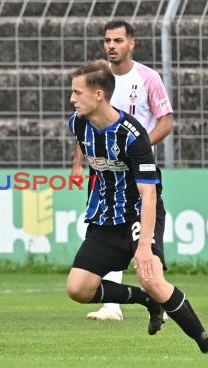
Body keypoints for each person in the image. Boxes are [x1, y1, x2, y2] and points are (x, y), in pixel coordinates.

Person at [65, 59, 208, 354]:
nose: (72, 99)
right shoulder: (77, 123)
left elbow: (148, 194)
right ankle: (145, 300)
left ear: (99, 94)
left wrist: (144, 247)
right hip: (106, 216)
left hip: (139, 212)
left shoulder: (133, 135)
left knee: (152, 278)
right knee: (77, 289)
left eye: (77, 92)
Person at [71, 20, 173, 321]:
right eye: (107, 40)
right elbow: (88, 126)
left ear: (132, 43)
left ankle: (159, 293)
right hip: (104, 170)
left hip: (136, 170)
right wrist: (78, 163)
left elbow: (165, 122)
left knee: (137, 232)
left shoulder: (147, 78)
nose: (111, 46)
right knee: (108, 227)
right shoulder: (96, 79)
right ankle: (113, 304)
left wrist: (133, 149)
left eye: (118, 40)